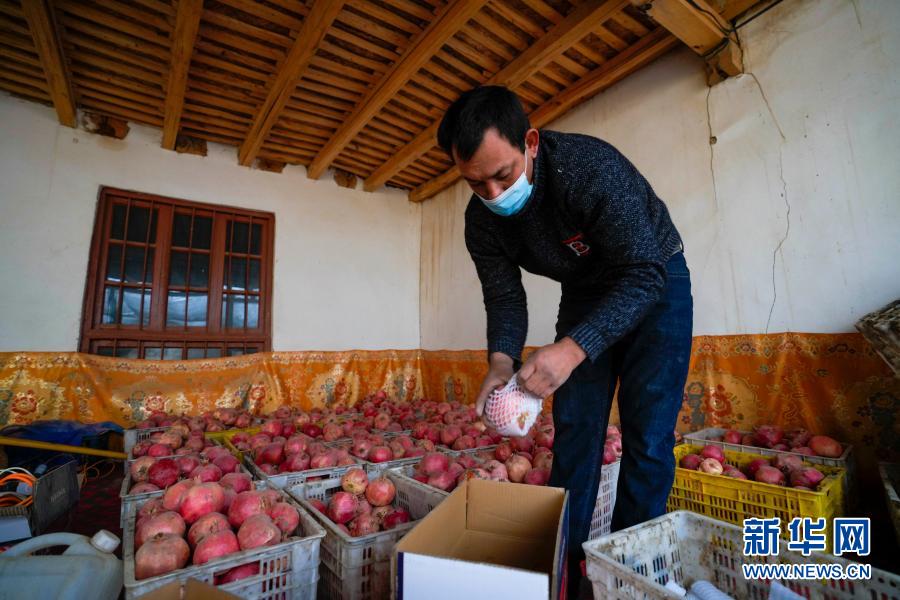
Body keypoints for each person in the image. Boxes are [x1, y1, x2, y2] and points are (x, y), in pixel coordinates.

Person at [437, 85, 694, 591]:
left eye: (502, 175)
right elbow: (505, 298)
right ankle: (568, 578)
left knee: (648, 437)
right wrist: (501, 363)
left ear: (530, 142)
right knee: (575, 432)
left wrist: (574, 348)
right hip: (584, 292)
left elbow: (644, 274)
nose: (492, 194)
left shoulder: (588, 168)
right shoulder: (481, 223)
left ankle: (628, 576)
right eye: (475, 183)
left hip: (656, 281)